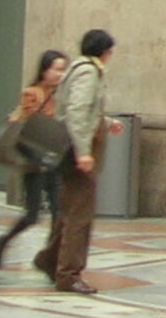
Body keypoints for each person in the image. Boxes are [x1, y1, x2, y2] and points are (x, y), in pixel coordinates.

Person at [33, 28, 117, 295]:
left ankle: (49, 259)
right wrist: (83, 152)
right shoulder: (88, 72)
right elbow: (78, 112)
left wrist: (107, 122)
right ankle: (69, 273)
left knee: (69, 210)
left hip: (73, 148)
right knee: (80, 215)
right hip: (77, 151)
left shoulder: (79, 69)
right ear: (103, 51)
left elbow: (84, 110)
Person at [0, 49, 68, 267]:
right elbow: (30, 125)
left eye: (63, 70)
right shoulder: (32, 93)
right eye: (56, 69)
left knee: (58, 211)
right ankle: (3, 241)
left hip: (53, 162)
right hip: (34, 162)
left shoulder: (58, 97)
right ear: (45, 70)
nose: (59, 74)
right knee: (32, 215)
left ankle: (49, 257)